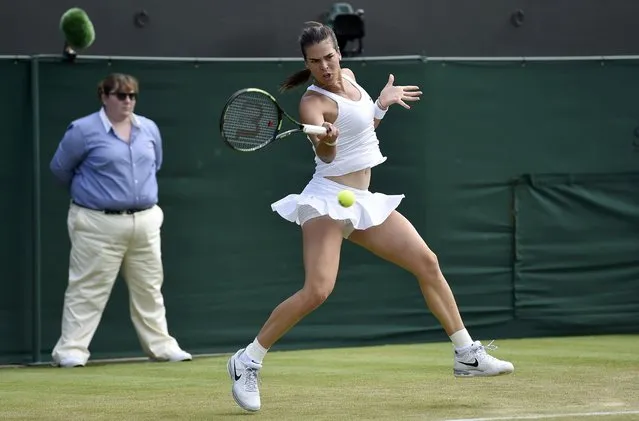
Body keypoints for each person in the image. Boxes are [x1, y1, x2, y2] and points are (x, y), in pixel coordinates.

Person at [227, 22, 514, 412]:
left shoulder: (350, 77)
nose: (325, 67)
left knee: (427, 262)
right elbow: (328, 156)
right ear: (307, 64)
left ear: (338, 52)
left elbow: (364, 132)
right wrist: (326, 141)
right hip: (328, 199)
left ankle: (466, 354)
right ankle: (247, 361)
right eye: (315, 62)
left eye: (329, 57)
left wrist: (380, 104)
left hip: (360, 200)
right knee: (318, 291)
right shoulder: (312, 104)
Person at [49, 73, 191, 367]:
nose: (127, 101)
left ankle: (162, 346)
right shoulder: (82, 130)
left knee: (150, 287)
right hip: (97, 222)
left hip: (145, 221)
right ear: (104, 96)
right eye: (120, 95)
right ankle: (71, 351)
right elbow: (60, 169)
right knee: (87, 288)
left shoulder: (148, 128)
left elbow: (156, 165)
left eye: (132, 96)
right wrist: (94, 194)